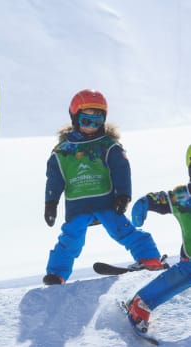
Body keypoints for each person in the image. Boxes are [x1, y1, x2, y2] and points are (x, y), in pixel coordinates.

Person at [43, 89, 168, 285]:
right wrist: (51, 203)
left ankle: (149, 257)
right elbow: (54, 178)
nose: (92, 126)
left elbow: (121, 169)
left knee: (124, 230)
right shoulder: (63, 150)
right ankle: (57, 274)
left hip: (106, 202)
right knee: (70, 240)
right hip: (78, 205)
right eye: (86, 121)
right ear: (75, 119)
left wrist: (123, 195)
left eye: (98, 121)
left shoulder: (108, 145)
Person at [127, 160, 191, 332]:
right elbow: (161, 199)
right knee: (184, 275)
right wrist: (145, 202)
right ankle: (140, 303)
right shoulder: (183, 196)